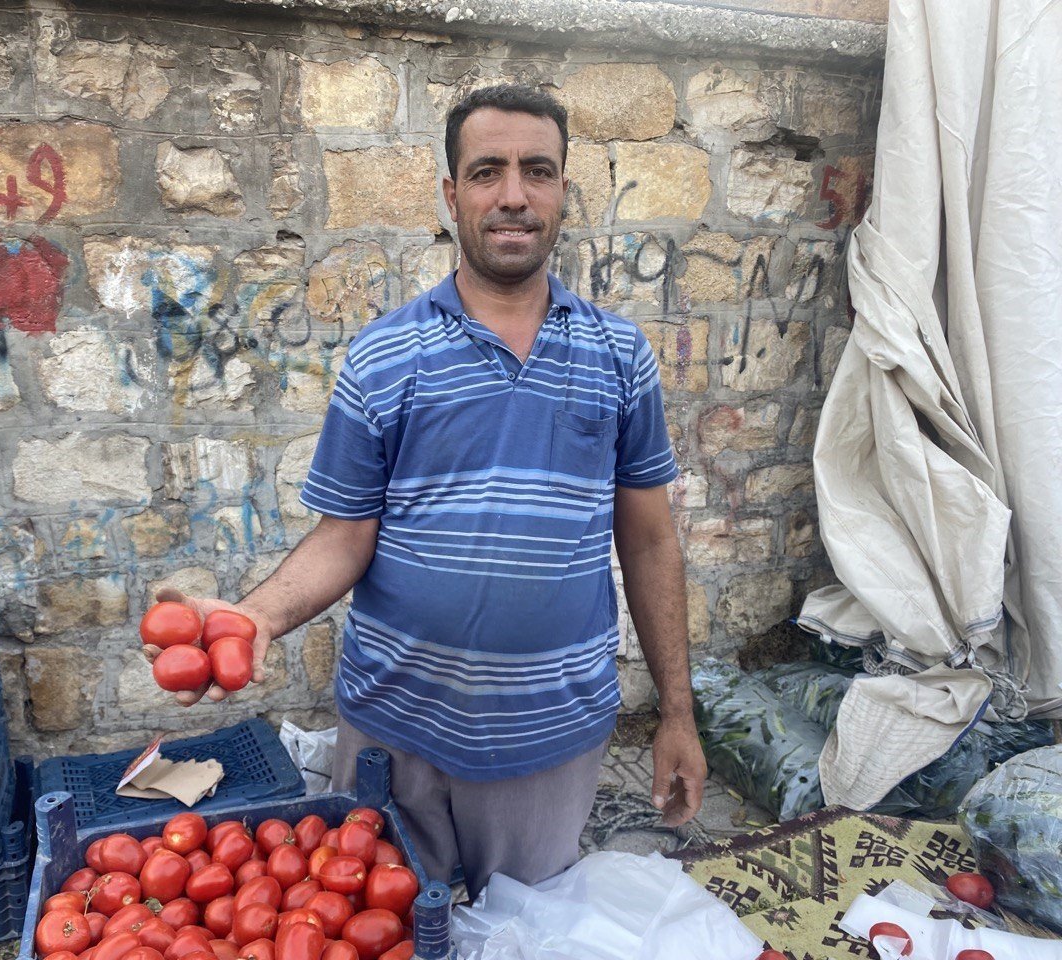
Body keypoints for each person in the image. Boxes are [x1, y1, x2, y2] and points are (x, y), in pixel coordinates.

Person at [148, 83, 707, 899]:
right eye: (487, 172)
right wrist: (253, 617)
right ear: (452, 196)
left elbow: (651, 539)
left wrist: (678, 713)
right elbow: (346, 533)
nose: (513, 195)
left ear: (561, 191)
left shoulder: (621, 357)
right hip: (393, 734)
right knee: (380, 927)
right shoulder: (384, 357)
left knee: (526, 937)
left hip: (550, 740)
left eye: (536, 171)